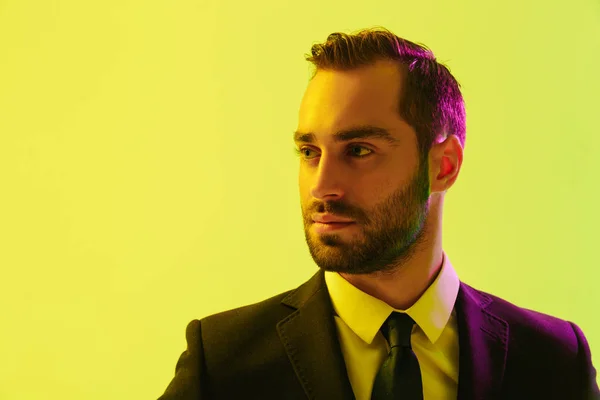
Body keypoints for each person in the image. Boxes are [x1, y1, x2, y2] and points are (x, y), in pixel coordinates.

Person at [158, 27, 599, 400]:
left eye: (359, 150)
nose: (322, 185)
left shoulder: (554, 362)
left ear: (443, 165)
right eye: (310, 151)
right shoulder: (222, 364)